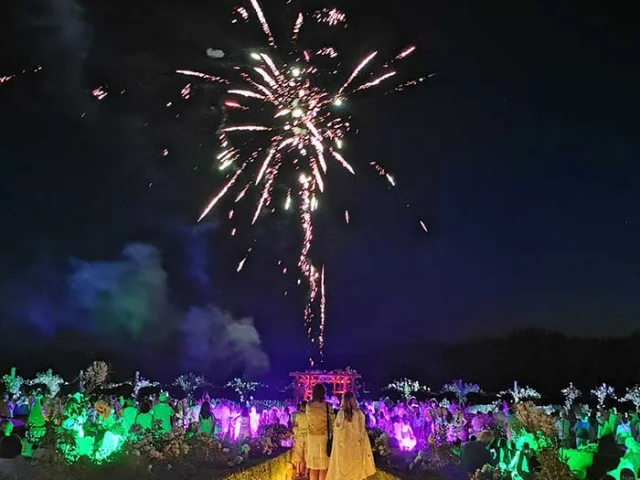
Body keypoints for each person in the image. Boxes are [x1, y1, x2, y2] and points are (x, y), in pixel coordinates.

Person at [326, 392, 376, 480]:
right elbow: (362, 433)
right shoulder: (359, 414)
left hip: (342, 452)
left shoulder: (340, 414)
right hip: (356, 451)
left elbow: (336, 433)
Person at [306, 384, 331, 480]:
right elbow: (332, 423)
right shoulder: (328, 406)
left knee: (313, 467)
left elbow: (309, 419)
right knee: (323, 466)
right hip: (323, 437)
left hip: (312, 437)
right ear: (323, 393)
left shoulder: (309, 406)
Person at [293, 402, 309, 478]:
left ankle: (297, 472)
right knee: (307, 454)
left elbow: (295, 427)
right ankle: (305, 473)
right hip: (308, 437)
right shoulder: (309, 416)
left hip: (299, 436)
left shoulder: (298, 416)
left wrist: (296, 434)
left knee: (298, 454)